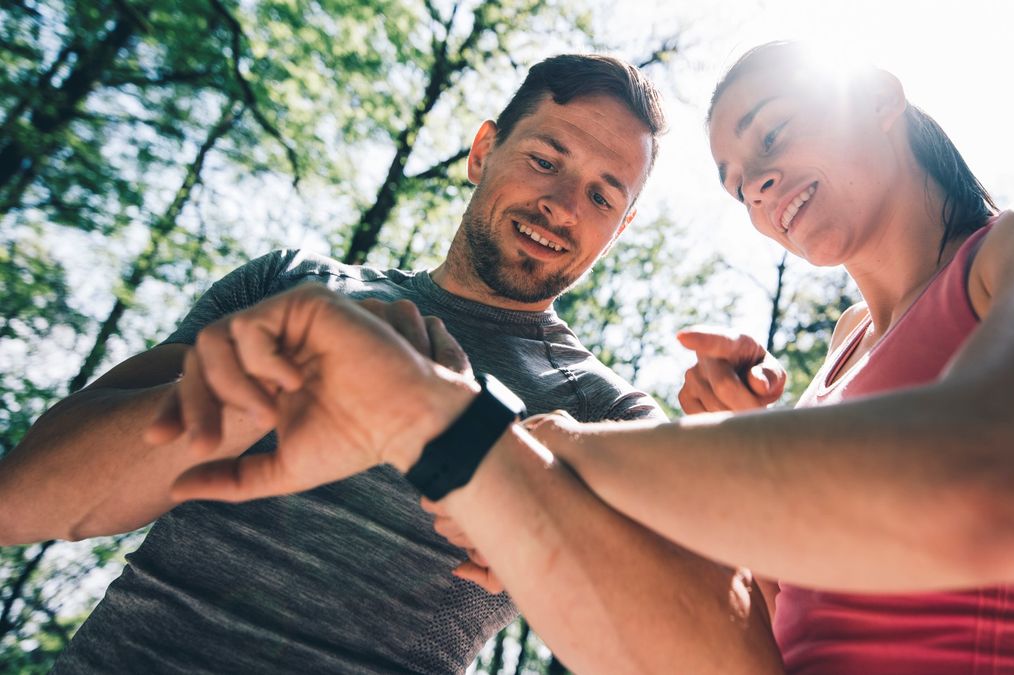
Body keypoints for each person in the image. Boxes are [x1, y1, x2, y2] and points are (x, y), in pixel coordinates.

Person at [139, 41, 1014, 674]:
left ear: (879, 96)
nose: (758, 185)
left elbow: (1007, 491)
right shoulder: (826, 379)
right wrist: (740, 451)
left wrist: (548, 449)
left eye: (773, 137)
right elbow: (756, 644)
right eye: (736, 182)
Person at [0, 54, 778, 674]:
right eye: (546, 160)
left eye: (604, 197)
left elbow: (717, 643)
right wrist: (281, 379)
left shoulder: (612, 418)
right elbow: (25, 501)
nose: (564, 206)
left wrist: (728, 470)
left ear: (619, 230)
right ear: (482, 151)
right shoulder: (291, 283)